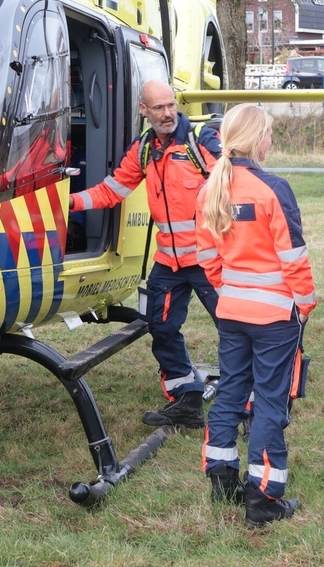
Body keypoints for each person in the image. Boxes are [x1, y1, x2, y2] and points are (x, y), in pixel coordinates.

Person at [69, 79, 221, 428]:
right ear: (144, 110)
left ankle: (251, 402)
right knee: (161, 326)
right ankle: (186, 398)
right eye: (159, 108)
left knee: (233, 328)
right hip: (169, 262)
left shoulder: (201, 141)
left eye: (171, 105)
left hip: (210, 259)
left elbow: (232, 185)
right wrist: (71, 203)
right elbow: (112, 190)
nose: (168, 114)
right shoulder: (143, 149)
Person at [195, 103, 316, 529]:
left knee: (229, 391)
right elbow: (293, 255)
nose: (271, 141)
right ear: (256, 139)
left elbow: (207, 258)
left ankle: (222, 479)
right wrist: (305, 301)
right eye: (268, 134)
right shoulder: (272, 188)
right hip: (274, 316)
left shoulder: (210, 189)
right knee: (269, 400)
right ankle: (263, 497)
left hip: (231, 310)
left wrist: (228, 290)